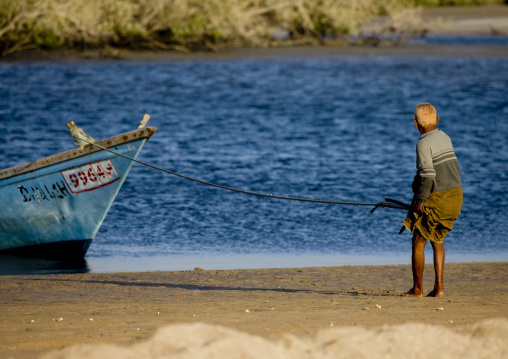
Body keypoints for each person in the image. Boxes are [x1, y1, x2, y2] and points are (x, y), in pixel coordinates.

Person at [402, 103, 463, 297]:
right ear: (437, 120)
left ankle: (417, 289)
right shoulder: (445, 137)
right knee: (438, 238)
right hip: (456, 195)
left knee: (418, 240)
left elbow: (428, 176)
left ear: (415, 124)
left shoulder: (423, 143)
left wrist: (419, 202)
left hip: (438, 197)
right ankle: (439, 288)